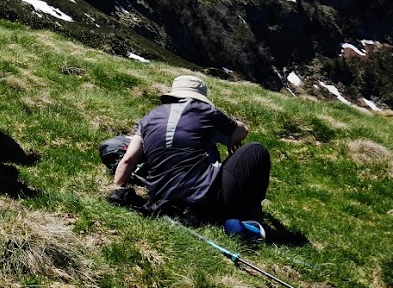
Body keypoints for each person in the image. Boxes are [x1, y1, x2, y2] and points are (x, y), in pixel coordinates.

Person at [111, 75, 272, 232]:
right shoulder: (205, 111)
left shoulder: (149, 118)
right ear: (200, 97)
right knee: (256, 150)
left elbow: (128, 160)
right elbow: (242, 131)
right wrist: (231, 138)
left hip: (160, 200)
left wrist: (116, 188)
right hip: (205, 202)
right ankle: (253, 216)